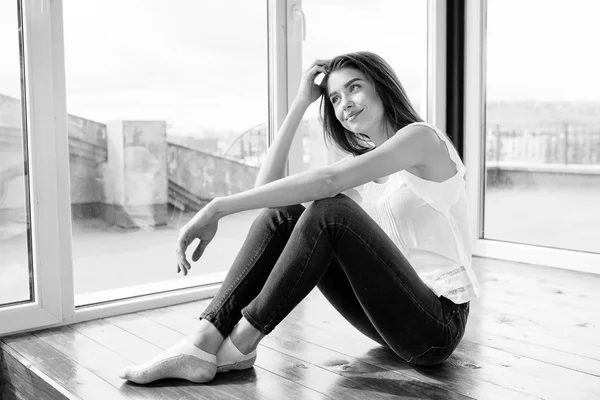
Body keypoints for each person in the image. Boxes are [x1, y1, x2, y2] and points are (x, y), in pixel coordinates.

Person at [120, 51, 482, 384]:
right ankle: (204, 338)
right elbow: (270, 197)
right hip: (388, 322)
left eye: (354, 88)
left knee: (330, 211)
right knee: (287, 215)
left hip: (437, 326)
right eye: (335, 99)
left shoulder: (421, 138)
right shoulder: (366, 167)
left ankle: (242, 340)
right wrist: (299, 103)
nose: (344, 105)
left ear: (382, 86)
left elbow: (327, 183)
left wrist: (218, 206)